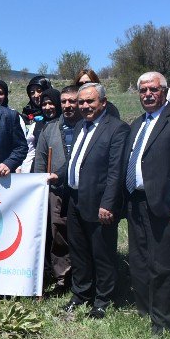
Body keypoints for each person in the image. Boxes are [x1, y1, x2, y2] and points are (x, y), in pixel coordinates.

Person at [124, 71, 170, 335]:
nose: (147, 94)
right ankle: (146, 309)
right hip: (136, 201)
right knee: (140, 259)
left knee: (163, 264)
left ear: (164, 91)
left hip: (166, 203)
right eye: (143, 90)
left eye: (153, 90)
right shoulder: (137, 124)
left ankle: (163, 320)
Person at [51, 83, 129, 317]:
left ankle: (103, 299)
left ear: (103, 103)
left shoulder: (117, 129)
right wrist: (59, 175)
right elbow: (75, 161)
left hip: (100, 202)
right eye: (81, 102)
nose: (84, 106)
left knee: (102, 252)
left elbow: (116, 171)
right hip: (75, 198)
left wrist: (108, 203)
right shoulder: (79, 128)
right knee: (79, 250)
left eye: (90, 101)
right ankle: (81, 293)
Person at [34, 86, 81, 291]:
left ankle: (83, 274)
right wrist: (39, 184)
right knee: (59, 233)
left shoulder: (87, 126)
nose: (68, 106)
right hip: (57, 191)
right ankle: (62, 277)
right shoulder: (50, 128)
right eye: (64, 102)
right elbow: (40, 160)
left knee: (81, 234)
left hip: (82, 190)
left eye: (72, 101)